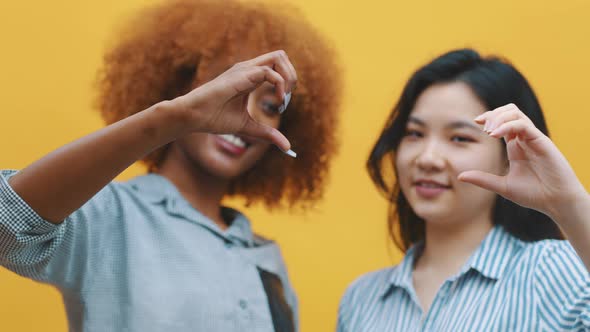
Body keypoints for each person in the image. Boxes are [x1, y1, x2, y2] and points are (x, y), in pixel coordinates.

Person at [0, 0, 341, 331]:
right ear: (176, 85)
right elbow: (7, 220)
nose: (244, 112)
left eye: (270, 105)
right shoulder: (109, 216)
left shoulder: (266, 258)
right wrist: (172, 117)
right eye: (226, 84)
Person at [337, 48, 590, 331]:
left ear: (509, 156)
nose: (427, 158)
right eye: (414, 134)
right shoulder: (361, 299)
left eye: (459, 138)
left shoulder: (552, 270)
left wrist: (570, 205)